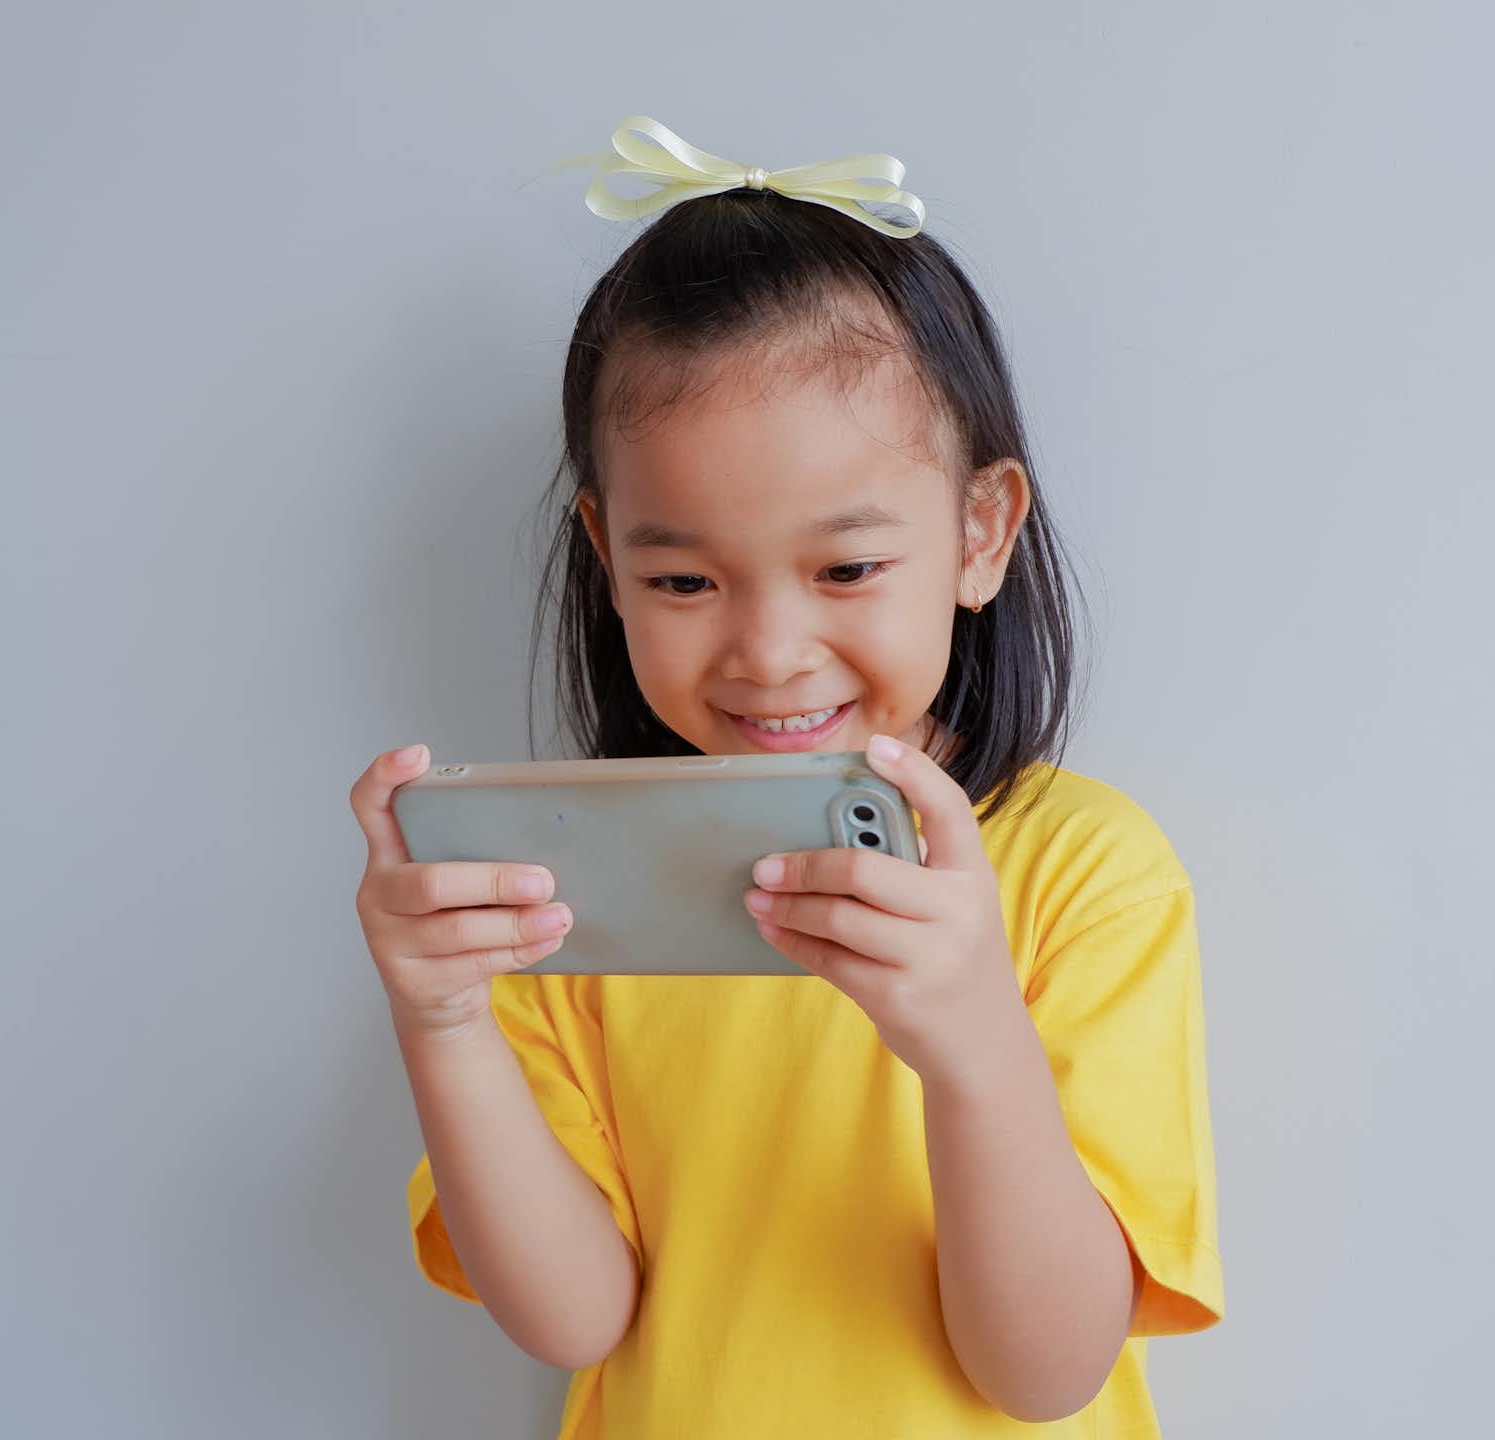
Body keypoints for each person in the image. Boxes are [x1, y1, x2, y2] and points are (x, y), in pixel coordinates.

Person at [346, 116, 1223, 1437]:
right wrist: (446, 1021)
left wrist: (973, 1039)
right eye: (683, 579)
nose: (767, 652)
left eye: (846, 570)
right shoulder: (564, 882)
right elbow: (575, 1319)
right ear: (606, 559)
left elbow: (1045, 1371)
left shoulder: (1080, 872)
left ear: (980, 534)